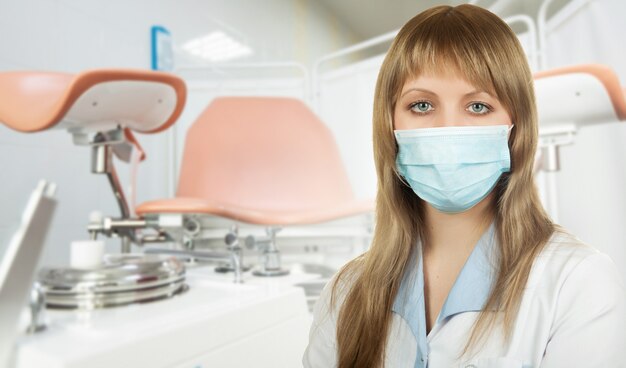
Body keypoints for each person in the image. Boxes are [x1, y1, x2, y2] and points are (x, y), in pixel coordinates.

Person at [303, 4, 626, 368]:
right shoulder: (344, 294)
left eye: (478, 106)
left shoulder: (577, 283)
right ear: (389, 127)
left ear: (515, 128)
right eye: (422, 105)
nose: (448, 129)